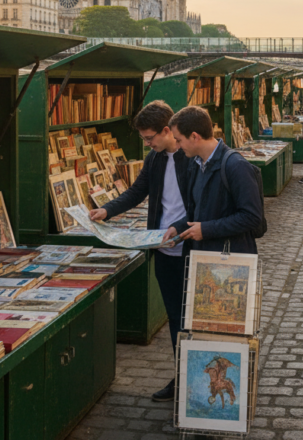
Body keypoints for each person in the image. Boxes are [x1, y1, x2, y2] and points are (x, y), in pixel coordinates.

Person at [89, 101, 190, 402]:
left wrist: (182, 226)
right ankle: (181, 376)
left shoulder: (190, 156)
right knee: (174, 317)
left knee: (191, 318)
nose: (147, 144)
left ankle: (193, 379)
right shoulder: (155, 158)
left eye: (150, 138)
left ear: (167, 130)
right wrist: (105, 210)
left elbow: (202, 203)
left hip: (191, 246)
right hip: (163, 249)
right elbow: (137, 191)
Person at [165, 106, 263, 255]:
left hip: (230, 258)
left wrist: (206, 230)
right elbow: (199, 211)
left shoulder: (236, 165)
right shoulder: (195, 164)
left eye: (179, 140)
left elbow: (252, 217)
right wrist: (178, 227)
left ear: (194, 136)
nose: (178, 146)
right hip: (205, 256)